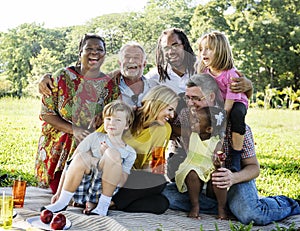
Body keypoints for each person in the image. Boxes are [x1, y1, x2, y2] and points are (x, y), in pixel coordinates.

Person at [162, 74, 300, 225]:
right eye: (187, 98)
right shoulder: (187, 120)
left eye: (196, 98)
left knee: (252, 215)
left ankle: (288, 203)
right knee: (166, 196)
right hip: (202, 182)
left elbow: (254, 168)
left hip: (234, 179)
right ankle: (230, 206)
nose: (190, 103)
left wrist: (233, 178)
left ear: (211, 97)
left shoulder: (234, 126)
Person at [35, 33, 119, 194]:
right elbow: (46, 113)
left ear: (104, 54)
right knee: (58, 189)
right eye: (89, 48)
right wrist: (74, 130)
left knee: (81, 191)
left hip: (88, 146)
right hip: (58, 144)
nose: (94, 52)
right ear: (80, 52)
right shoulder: (62, 77)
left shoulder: (109, 84)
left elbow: (113, 114)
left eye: (99, 49)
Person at [42, 100, 136, 216]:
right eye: (108, 119)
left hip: (104, 192)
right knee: (82, 156)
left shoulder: (129, 152)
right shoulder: (94, 137)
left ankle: (102, 207)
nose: (112, 123)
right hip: (83, 189)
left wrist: (109, 158)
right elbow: (70, 164)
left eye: (118, 120)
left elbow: (121, 182)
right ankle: (62, 202)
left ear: (126, 125)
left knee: (112, 154)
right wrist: (58, 193)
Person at [108, 85, 180, 214]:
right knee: (157, 181)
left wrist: (148, 183)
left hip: (130, 180)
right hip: (107, 174)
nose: (172, 115)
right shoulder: (125, 114)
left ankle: (113, 203)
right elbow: (95, 141)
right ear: (158, 104)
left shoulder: (164, 129)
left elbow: (155, 164)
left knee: (161, 202)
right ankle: (108, 201)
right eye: (169, 109)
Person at [197, 31, 249, 172]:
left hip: (236, 102)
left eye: (208, 49)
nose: (203, 53)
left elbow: (228, 106)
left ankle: (236, 155)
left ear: (220, 51)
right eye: (201, 49)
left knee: (237, 114)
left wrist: (221, 124)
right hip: (219, 103)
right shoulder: (205, 73)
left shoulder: (230, 74)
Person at [175, 106, 227, 219]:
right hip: (192, 165)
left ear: (209, 129)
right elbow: (177, 129)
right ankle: (195, 206)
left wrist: (218, 164)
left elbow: (219, 159)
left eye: (197, 121)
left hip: (209, 168)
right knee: (192, 173)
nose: (192, 121)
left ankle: (221, 208)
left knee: (218, 176)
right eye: (194, 118)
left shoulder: (216, 143)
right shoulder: (192, 134)